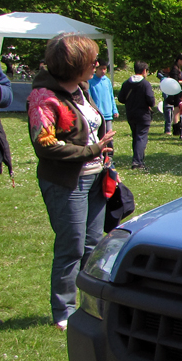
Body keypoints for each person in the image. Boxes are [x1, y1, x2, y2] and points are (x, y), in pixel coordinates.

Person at [25, 33, 115, 330]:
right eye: (91, 60)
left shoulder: (81, 89)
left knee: (94, 245)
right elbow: (45, 144)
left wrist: (103, 156)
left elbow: (90, 127)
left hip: (95, 178)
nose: (97, 64)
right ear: (74, 63)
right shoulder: (44, 97)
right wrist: (92, 149)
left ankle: (93, 305)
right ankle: (63, 310)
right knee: (72, 246)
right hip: (66, 182)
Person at [117, 60, 154, 169]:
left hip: (131, 113)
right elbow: (151, 100)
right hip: (143, 114)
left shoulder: (126, 83)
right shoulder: (145, 84)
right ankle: (137, 162)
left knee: (136, 136)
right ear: (144, 71)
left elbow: (121, 98)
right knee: (141, 137)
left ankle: (138, 158)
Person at [87, 59, 118, 134]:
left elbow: (111, 96)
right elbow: (89, 97)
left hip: (108, 114)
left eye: (105, 69)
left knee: (109, 135)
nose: (103, 71)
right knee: (100, 135)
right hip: (97, 114)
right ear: (96, 69)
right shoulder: (90, 81)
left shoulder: (107, 81)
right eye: (101, 69)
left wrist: (115, 110)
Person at [162, 53, 182, 135]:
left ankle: (177, 128)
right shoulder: (174, 69)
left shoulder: (178, 68)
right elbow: (175, 81)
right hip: (175, 92)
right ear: (179, 60)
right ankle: (176, 129)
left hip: (178, 91)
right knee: (176, 110)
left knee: (177, 110)